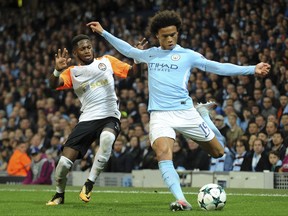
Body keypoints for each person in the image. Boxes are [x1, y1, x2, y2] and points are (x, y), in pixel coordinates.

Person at [87, 10, 270, 211]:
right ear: (157, 36)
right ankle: (181, 200)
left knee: (218, 152)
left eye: (173, 34)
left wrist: (252, 69)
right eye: (165, 35)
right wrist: (103, 32)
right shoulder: (151, 54)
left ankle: (204, 115)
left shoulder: (188, 56)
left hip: (185, 112)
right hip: (160, 115)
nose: (170, 39)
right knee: (163, 153)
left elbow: (218, 67)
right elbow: (128, 50)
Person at [46, 34, 134, 205]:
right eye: (82, 48)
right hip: (87, 119)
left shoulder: (107, 61)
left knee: (107, 138)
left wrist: (137, 58)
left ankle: (89, 183)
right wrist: (56, 70)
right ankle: (59, 194)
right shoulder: (72, 72)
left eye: (89, 47)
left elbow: (132, 72)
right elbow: (53, 84)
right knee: (64, 163)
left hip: (110, 115)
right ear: (75, 52)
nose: (87, 50)